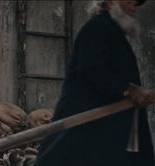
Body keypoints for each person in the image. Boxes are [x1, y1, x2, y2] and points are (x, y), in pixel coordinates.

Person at [34, 0, 154, 166]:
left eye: (136, 4)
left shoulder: (113, 33)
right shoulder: (97, 28)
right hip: (87, 126)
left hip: (109, 130)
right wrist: (129, 90)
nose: (134, 8)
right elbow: (93, 69)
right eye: (130, 1)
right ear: (111, 2)